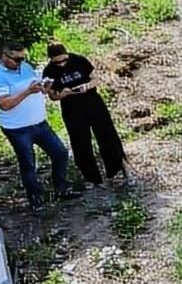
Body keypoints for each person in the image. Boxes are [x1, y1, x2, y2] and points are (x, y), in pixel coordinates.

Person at [0, 39, 78, 213]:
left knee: (60, 153)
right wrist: (28, 91)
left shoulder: (26, 67)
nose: (21, 62)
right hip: (17, 128)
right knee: (28, 163)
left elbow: (38, 88)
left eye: (23, 58)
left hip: (39, 123)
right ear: (4, 57)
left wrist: (45, 87)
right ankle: (36, 200)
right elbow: (5, 104)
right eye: (17, 59)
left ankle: (61, 188)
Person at [42, 42, 129, 189]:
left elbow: (95, 79)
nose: (62, 64)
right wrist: (62, 94)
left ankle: (115, 170)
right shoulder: (49, 71)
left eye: (64, 60)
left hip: (92, 102)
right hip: (71, 108)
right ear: (51, 60)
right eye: (58, 62)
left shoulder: (79, 60)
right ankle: (92, 178)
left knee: (107, 135)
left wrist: (87, 86)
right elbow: (52, 95)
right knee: (80, 142)